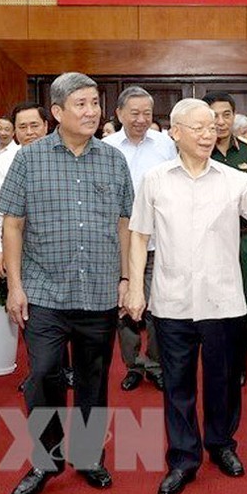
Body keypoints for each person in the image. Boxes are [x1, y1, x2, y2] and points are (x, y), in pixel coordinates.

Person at [125, 98, 247, 494]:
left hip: (222, 301)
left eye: (211, 127)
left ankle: (222, 444)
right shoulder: (156, 179)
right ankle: (182, 458)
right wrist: (135, 287)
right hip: (172, 299)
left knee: (223, 382)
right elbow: (139, 234)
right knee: (176, 384)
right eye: (197, 127)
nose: (207, 134)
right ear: (175, 132)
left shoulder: (234, 180)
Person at [0, 72, 132, 494]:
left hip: (97, 291)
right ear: (56, 112)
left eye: (95, 102)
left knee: (94, 380)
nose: (91, 111)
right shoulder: (29, 159)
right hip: (44, 293)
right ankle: (45, 461)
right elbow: (12, 224)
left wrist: (127, 278)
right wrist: (14, 286)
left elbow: (125, 223)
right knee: (43, 377)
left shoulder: (113, 160)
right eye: (81, 103)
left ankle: (90, 457)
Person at [104, 86, 177, 393]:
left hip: (159, 241)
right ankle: (133, 364)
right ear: (119, 114)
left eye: (147, 113)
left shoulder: (165, 145)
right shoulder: (106, 147)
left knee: (158, 308)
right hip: (120, 244)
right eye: (134, 113)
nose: (141, 119)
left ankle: (157, 364)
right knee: (124, 308)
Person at [205, 91, 247, 387]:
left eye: (226, 115)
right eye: (214, 115)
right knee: (213, 305)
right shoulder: (197, 152)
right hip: (208, 242)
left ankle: (239, 360)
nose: (220, 121)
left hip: (245, 239)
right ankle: (219, 362)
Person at [0, 102, 49, 277]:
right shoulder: (5, 161)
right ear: (15, 131)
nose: (29, 132)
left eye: (34, 125)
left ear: (46, 126)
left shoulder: (62, 158)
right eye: (22, 127)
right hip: (19, 245)